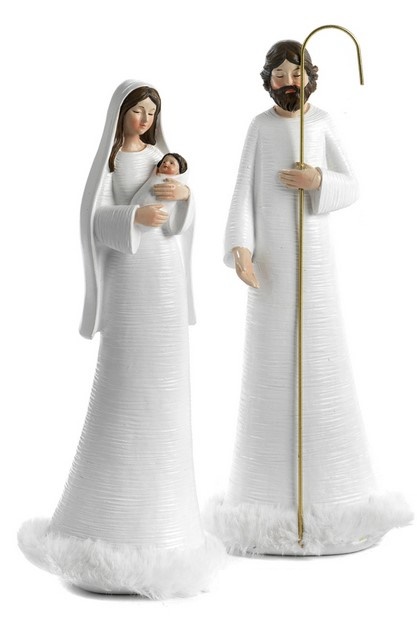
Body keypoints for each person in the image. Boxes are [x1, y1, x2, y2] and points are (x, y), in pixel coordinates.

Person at [18, 80, 224, 598]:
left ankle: (169, 529)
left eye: (152, 111)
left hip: (164, 272)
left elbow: (181, 219)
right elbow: (94, 220)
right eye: (138, 110)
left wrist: (184, 199)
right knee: (127, 379)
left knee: (167, 385)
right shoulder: (111, 165)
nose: (145, 118)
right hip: (129, 277)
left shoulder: (161, 160)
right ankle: (104, 522)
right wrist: (135, 216)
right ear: (121, 114)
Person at [205, 41, 412, 555]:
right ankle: (264, 500)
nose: (287, 81)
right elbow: (242, 191)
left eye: (294, 72)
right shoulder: (259, 128)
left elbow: (352, 184)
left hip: (314, 261)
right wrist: (241, 248)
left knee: (318, 356)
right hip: (271, 266)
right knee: (270, 365)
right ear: (268, 82)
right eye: (278, 74)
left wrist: (317, 179)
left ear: (309, 77)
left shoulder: (319, 124)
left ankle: (333, 496)